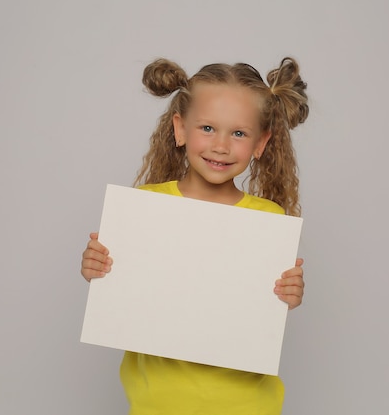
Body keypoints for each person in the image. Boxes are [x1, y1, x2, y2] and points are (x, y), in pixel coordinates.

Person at [81, 56, 309, 415]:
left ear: (260, 143)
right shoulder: (144, 207)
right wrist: (98, 268)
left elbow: (260, 312)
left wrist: (288, 295)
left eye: (238, 133)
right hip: (156, 404)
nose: (221, 145)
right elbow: (124, 293)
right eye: (207, 128)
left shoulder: (269, 220)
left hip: (247, 405)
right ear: (180, 127)